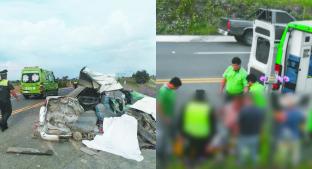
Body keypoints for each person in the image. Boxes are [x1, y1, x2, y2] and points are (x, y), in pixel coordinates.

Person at [178, 90, 216, 162]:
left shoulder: (187, 106)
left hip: (189, 134)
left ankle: (187, 159)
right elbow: (213, 124)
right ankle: (200, 158)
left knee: (189, 148)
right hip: (203, 135)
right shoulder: (208, 107)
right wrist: (211, 139)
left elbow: (180, 121)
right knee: (203, 151)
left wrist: (181, 135)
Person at [157, 77, 182, 168]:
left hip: (171, 117)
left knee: (174, 135)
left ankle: (174, 152)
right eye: (177, 87)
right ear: (173, 85)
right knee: (165, 136)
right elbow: (159, 106)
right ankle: (163, 156)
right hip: (166, 119)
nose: (177, 89)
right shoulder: (164, 91)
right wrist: (164, 118)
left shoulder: (170, 89)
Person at [237, 94, 264, 165]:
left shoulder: (243, 111)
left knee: (243, 152)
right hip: (255, 135)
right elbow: (261, 123)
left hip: (244, 135)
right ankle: (255, 165)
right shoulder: (259, 111)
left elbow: (239, 122)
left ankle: (242, 164)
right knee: (254, 152)